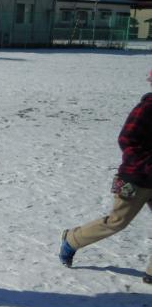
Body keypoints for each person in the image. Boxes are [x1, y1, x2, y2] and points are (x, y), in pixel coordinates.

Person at [59, 68, 152, 284]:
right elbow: (126, 140)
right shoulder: (147, 108)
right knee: (117, 222)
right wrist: (147, 165)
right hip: (135, 178)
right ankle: (72, 239)